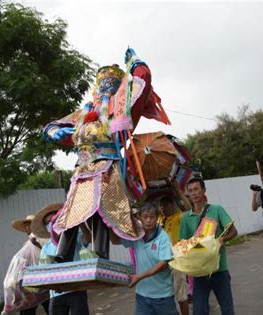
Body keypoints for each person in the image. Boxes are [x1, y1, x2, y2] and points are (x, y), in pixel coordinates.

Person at [43, 48, 170, 262]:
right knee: (73, 209)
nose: (106, 87)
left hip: (106, 167)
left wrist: (135, 62)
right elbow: (51, 127)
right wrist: (56, 132)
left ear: (118, 87)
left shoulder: (121, 108)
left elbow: (144, 81)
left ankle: (100, 252)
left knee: (102, 209)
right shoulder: (84, 113)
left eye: (112, 83)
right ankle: (62, 255)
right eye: (103, 83)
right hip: (82, 168)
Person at [179, 178, 237, 315]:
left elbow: (233, 231)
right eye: (191, 191)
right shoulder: (186, 218)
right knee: (199, 311)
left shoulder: (216, 210)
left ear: (204, 190)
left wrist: (223, 239)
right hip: (199, 272)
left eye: (196, 189)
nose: (194, 193)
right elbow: (183, 243)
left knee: (227, 309)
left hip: (219, 269)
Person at [32, 204, 91, 315]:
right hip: (56, 294)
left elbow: (88, 238)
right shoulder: (46, 247)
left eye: (53, 219)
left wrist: (81, 223)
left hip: (76, 290)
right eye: (47, 223)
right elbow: (43, 269)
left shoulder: (75, 237)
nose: (51, 224)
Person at [122, 202, 178, 315]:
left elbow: (163, 264)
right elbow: (115, 239)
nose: (148, 220)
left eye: (152, 217)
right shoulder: (136, 236)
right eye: (145, 217)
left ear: (157, 218)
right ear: (140, 218)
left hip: (163, 297)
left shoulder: (163, 238)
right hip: (142, 296)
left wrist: (139, 277)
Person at [3, 215, 49, 315]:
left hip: (41, 279)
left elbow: (47, 253)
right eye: (25, 226)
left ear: (34, 225)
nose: (26, 228)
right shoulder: (29, 242)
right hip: (33, 280)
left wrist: (36, 243)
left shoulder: (39, 238)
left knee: (44, 305)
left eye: (28, 225)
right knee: (32, 306)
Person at [157, 181, 192, 315]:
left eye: (165, 204)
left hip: (176, 261)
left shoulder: (178, 217)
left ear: (172, 205)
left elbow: (189, 209)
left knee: (181, 296)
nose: (162, 208)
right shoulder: (159, 219)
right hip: (162, 262)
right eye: (160, 205)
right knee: (166, 296)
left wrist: (179, 191)